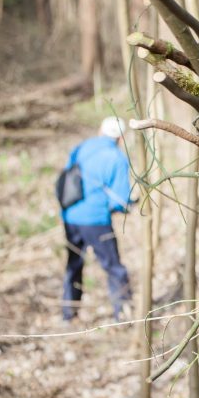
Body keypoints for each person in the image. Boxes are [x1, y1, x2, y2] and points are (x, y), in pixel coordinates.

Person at [60, 117, 134, 322]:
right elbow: (120, 200)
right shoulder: (117, 158)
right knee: (113, 267)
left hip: (70, 217)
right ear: (120, 137)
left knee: (73, 264)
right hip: (96, 221)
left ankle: (68, 313)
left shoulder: (80, 148)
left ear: (100, 130)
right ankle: (123, 313)